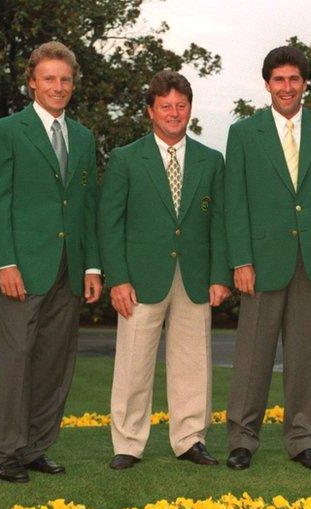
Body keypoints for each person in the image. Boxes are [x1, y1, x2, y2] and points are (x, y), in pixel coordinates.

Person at [224, 46, 311, 472]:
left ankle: (303, 439)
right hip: (260, 261)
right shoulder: (244, 134)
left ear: (304, 84)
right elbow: (235, 202)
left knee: (306, 356)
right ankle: (242, 438)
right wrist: (240, 259)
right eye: (278, 80)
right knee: (252, 356)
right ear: (266, 84)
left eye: (294, 79)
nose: (286, 87)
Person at [0, 41, 102, 483]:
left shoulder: (84, 137)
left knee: (55, 360)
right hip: (23, 267)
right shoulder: (7, 131)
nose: (58, 86)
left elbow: (88, 206)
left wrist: (92, 266)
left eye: (65, 79)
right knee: (18, 358)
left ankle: (36, 447)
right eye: (49, 78)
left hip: (70, 268)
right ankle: (3, 451)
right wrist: (5, 262)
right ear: (32, 81)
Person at [98, 71, 231, 470]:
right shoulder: (125, 158)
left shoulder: (211, 160)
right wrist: (117, 278)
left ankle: (190, 438)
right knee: (133, 362)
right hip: (139, 279)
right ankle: (127, 443)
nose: (174, 113)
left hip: (194, 275)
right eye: (165, 106)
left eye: (181, 105)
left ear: (190, 108)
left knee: (194, 362)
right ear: (150, 111)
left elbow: (220, 221)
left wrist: (220, 275)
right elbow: (110, 222)